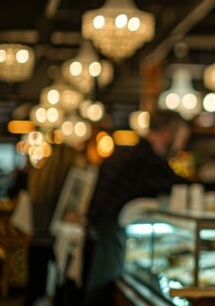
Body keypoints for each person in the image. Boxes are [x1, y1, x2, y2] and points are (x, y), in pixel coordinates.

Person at [83, 110, 190, 304]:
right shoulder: (146, 157)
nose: (181, 144)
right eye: (181, 137)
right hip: (109, 225)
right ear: (167, 133)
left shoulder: (129, 151)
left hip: (100, 224)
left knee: (98, 283)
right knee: (101, 286)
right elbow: (182, 185)